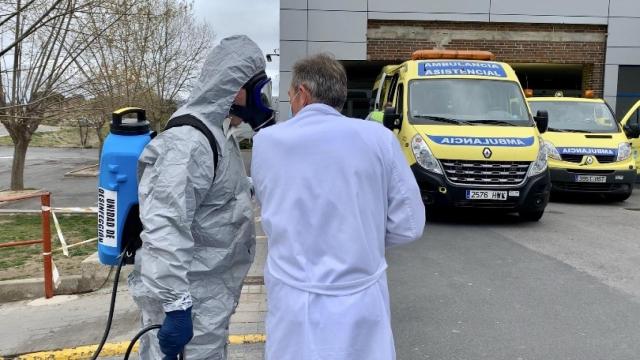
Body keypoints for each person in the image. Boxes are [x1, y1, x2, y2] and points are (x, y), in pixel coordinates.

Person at [251, 53, 426, 360]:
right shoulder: (379, 139)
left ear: (302, 94)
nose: (291, 102)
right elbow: (410, 225)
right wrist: (362, 236)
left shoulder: (267, 141)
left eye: (290, 95)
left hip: (293, 301)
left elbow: (271, 209)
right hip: (361, 299)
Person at [128, 35, 274, 360]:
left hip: (208, 297)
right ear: (236, 89)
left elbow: (216, 194)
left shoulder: (219, 134)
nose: (263, 100)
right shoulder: (188, 143)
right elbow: (165, 227)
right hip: (187, 302)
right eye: (259, 90)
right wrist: (176, 307)